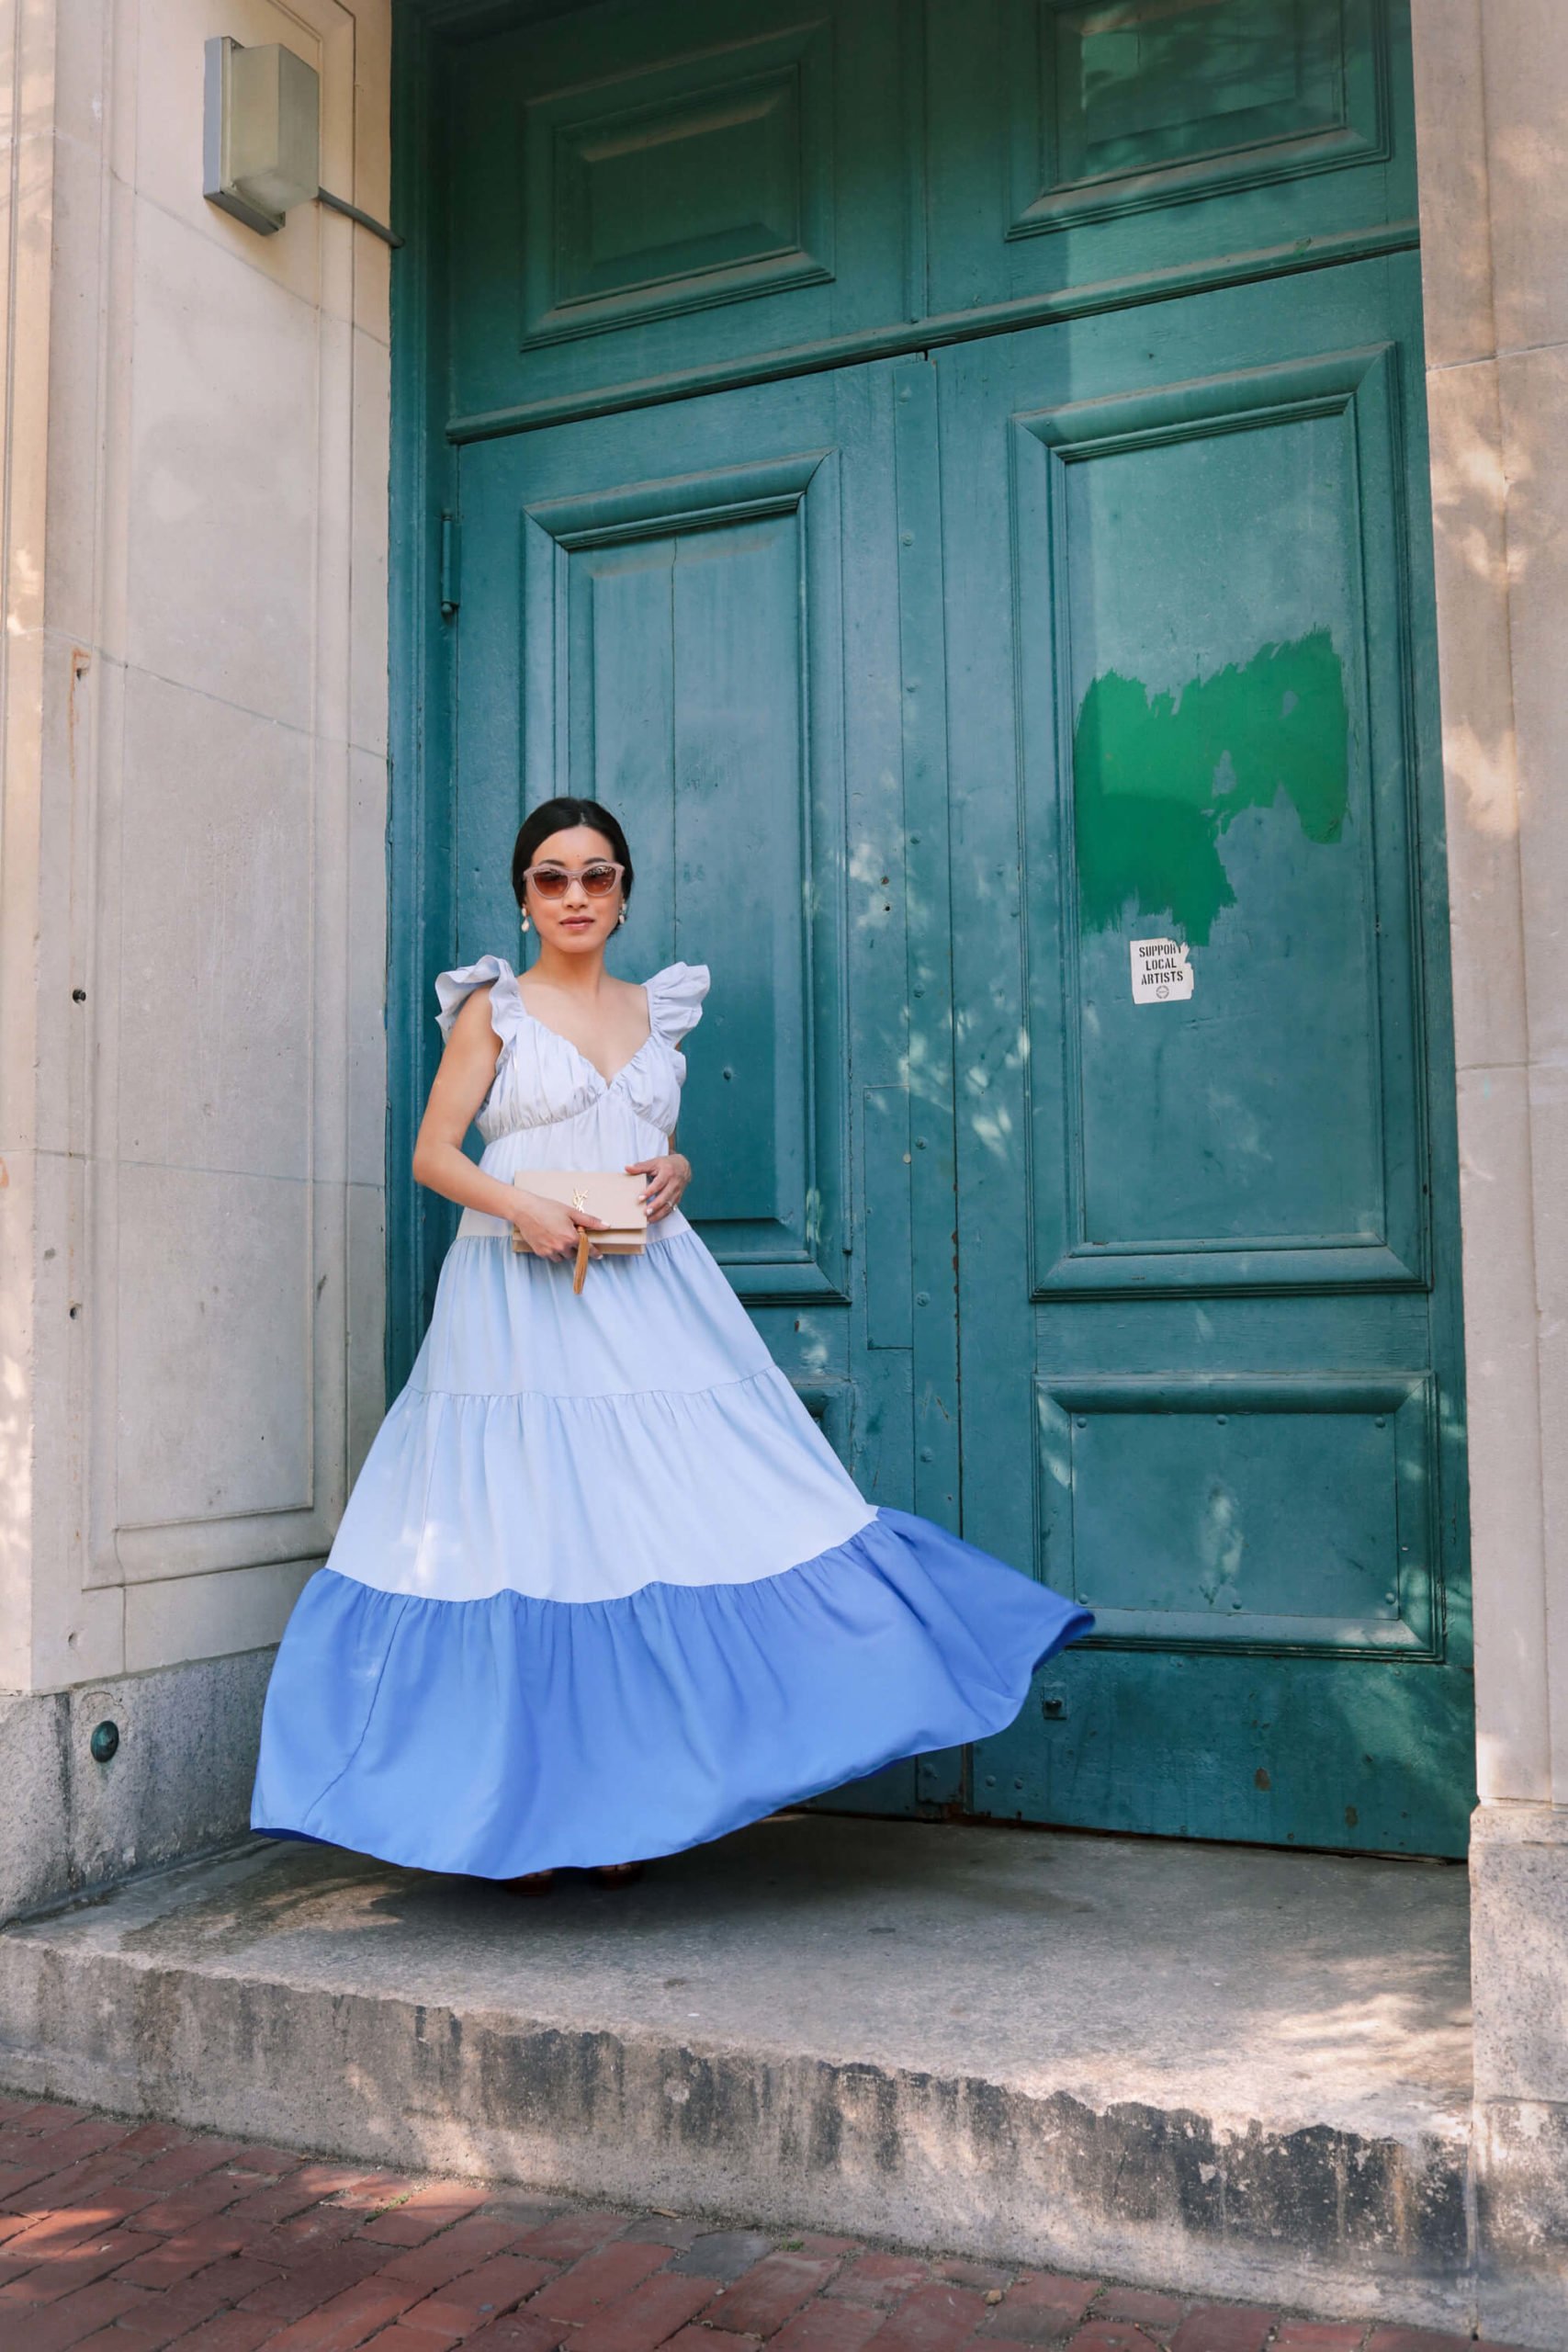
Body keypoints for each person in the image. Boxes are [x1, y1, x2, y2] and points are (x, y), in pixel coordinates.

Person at [251, 797, 1091, 1889]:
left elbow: (649, 1141)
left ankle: (626, 1809)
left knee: (659, 1522)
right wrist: (521, 1211)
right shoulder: (493, 1010)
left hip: (649, 1289)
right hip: (518, 1294)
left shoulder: (661, 1007)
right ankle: (527, 1814)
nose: (575, 897)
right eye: (552, 878)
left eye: (597, 876)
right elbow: (432, 1153)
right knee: (530, 1531)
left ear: (624, 890)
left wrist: (679, 1168)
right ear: (524, 894)